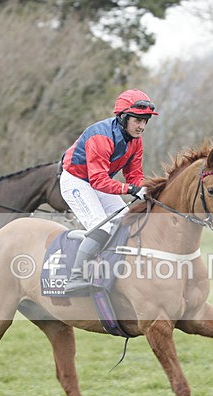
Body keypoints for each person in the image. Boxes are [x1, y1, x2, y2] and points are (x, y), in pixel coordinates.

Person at [59, 88, 158, 294]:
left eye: (145, 120)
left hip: (99, 182)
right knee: (101, 227)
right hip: (77, 181)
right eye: (137, 120)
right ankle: (76, 277)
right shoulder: (101, 137)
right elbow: (97, 180)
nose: (142, 126)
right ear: (123, 117)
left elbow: (134, 175)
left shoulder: (136, 141)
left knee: (126, 222)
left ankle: (113, 270)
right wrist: (130, 189)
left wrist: (144, 187)